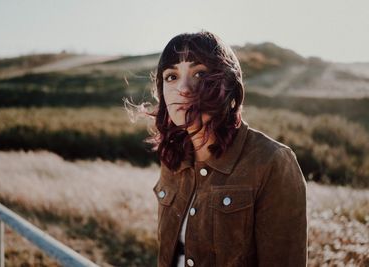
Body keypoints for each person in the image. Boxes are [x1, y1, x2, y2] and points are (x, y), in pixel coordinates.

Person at [126, 30, 307, 267]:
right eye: (171, 76)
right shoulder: (174, 158)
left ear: (229, 85)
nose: (183, 88)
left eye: (200, 73)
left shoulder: (272, 161)